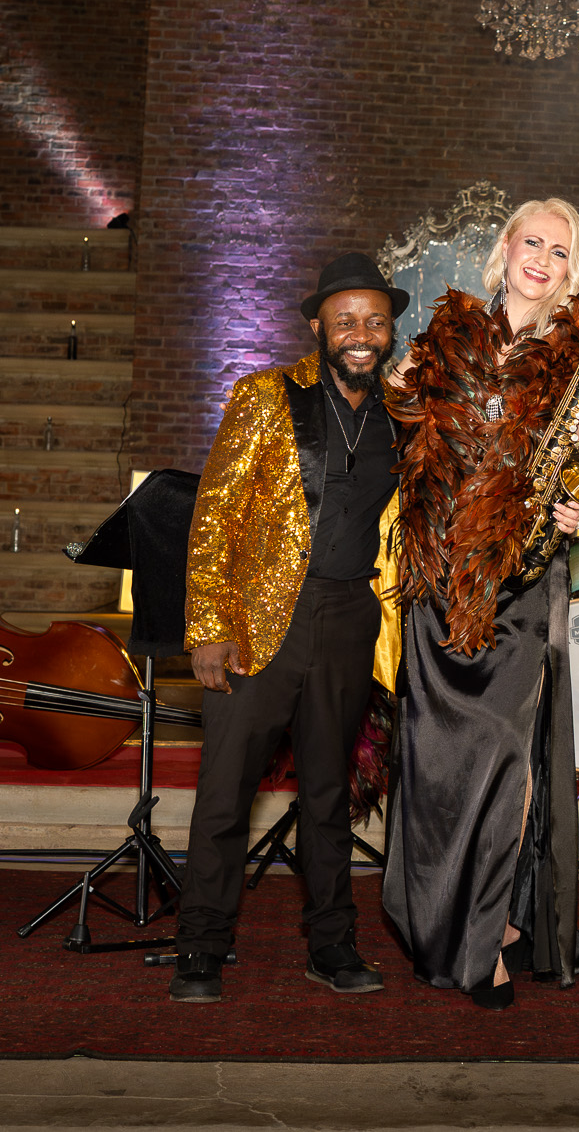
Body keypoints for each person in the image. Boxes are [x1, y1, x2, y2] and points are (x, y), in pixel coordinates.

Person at [381, 197, 579, 1010]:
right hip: (436, 584)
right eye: (533, 241)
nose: (543, 259)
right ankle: (443, 922)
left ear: (571, 271)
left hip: (518, 589)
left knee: (499, 762)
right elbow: (398, 417)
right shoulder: (446, 336)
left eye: (561, 250)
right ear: (505, 248)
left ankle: (485, 940)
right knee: (432, 762)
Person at [170, 252, 410, 1003]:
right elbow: (214, 517)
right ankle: (202, 945)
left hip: (348, 617)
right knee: (224, 792)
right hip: (260, 617)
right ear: (319, 326)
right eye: (347, 321)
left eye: (376, 321)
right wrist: (210, 623)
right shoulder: (266, 396)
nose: (362, 334)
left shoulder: (403, 418)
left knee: (329, 794)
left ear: (390, 328)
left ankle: (332, 944)